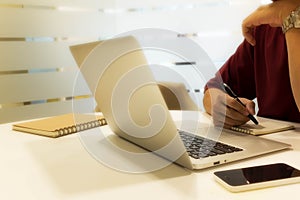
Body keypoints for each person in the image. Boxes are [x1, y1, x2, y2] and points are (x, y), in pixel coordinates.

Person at [203, 0, 300, 128]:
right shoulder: (266, 26)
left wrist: (291, 16)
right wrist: (222, 106)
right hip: (272, 142)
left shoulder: (279, 16)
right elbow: (213, 89)